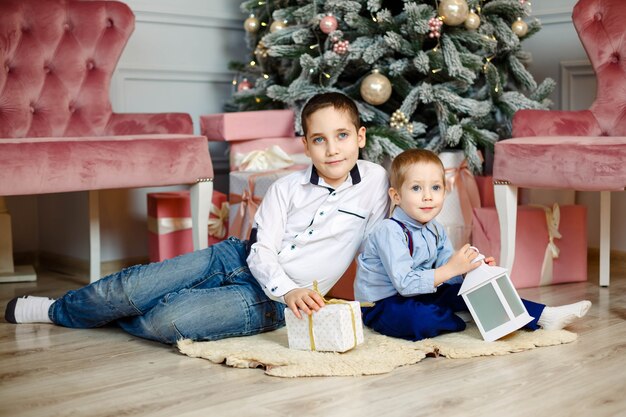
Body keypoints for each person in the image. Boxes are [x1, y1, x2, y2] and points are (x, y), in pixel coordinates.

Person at [4, 92, 389, 344]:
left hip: (278, 302)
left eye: (341, 136)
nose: (332, 149)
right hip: (237, 257)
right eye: (319, 139)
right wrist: (285, 285)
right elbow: (262, 250)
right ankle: (56, 310)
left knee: (166, 321)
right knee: (129, 288)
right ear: (305, 145)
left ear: (360, 137)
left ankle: (109, 316)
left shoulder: (377, 184)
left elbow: (383, 242)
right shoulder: (286, 188)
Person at [354, 149, 591, 341]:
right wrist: (451, 270)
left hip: (423, 293)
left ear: (444, 191)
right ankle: (463, 316)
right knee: (420, 320)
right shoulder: (389, 231)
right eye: (416, 188)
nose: (428, 196)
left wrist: (471, 268)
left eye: (435, 188)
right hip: (382, 304)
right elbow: (405, 284)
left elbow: (449, 270)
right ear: (396, 196)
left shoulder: (435, 228)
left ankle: (544, 316)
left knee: (475, 289)